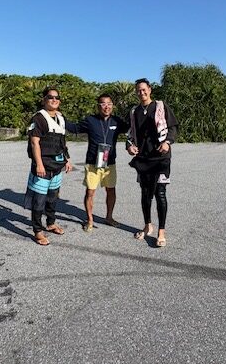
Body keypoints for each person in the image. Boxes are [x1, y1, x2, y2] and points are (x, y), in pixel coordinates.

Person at [126, 78, 178, 247]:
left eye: (144, 89)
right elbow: (130, 133)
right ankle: (148, 225)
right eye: (138, 90)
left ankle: (161, 231)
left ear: (150, 89)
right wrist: (129, 146)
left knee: (160, 193)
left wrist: (167, 142)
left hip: (161, 157)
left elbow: (173, 127)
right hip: (143, 158)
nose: (141, 92)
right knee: (145, 194)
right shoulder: (134, 111)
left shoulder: (161, 106)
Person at [66, 94, 128, 232]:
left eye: (109, 104)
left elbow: (131, 129)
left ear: (112, 106)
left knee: (111, 190)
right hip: (92, 163)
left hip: (110, 163)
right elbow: (74, 128)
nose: (106, 107)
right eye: (103, 104)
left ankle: (109, 217)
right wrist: (59, 117)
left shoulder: (117, 121)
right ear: (98, 106)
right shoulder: (90, 120)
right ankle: (89, 220)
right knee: (90, 192)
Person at [24, 87, 72, 245]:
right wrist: (39, 164)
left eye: (57, 97)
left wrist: (67, 159)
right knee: (39, 201)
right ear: (44, 99)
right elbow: (34, 143)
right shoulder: (39, 118)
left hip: (57, 165)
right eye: (50, 97)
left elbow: (62, 142)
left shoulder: (60, 118)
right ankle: (38, 231)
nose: (54, 100)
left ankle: (51, 223)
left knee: (52, 198)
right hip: (43, 165)